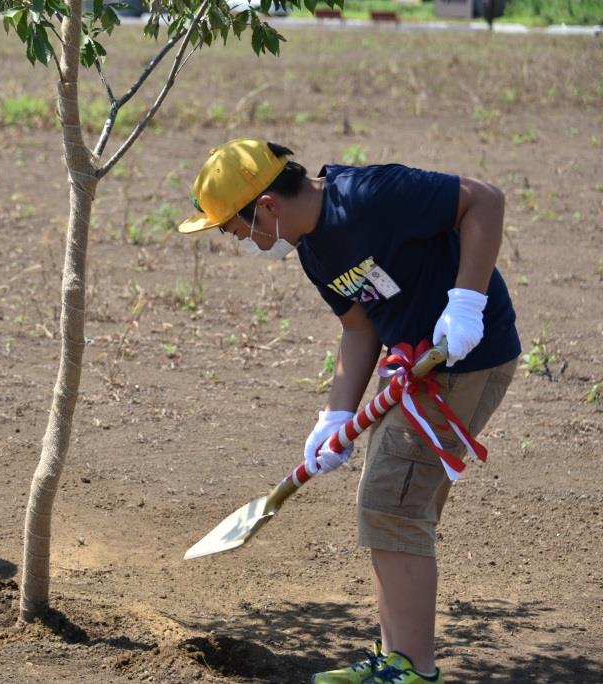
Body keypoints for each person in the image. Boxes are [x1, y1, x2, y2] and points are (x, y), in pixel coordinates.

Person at [178, 139, 520, 684]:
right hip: (417, 370)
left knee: (393, 505)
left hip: (461, 362)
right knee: (390, 507)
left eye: (232, 227)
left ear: (266, 205)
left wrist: (467, 301)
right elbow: (360, 327)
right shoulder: (313, 246)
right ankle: (396, 658)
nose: (234, 238)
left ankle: (411, 670)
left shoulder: (368, 194)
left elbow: (485, 200)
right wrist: (335, 416)